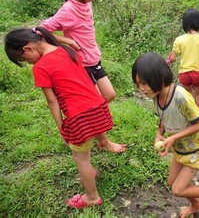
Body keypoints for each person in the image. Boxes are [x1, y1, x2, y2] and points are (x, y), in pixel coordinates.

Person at [4, 27, 126, 209]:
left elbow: (52, 102)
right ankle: (102, 143)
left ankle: (91, 197)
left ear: (28, 48)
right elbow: (75, 52)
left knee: (80, 158)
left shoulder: (40, 67)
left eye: (24, 59)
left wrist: (62, 126)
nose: (28, 63)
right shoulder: (67, 51)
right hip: (99, 108)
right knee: (87, 142)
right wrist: (64, 40)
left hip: (79, 118)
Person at [132, 53, 199, 217]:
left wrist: (172, 138)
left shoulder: (180, 96)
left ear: (158, 77)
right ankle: (197, 204)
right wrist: (159, 135)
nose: (141, 89)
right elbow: (163, 121)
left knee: (177, 189)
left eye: (143, 83)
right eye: (138, 84)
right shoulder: (156, 97)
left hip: (195, 149)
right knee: (172, 182)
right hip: (181, 148)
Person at [40, 0, 115, 102]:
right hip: (82, 64)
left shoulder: (86, 3)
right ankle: (95, 119)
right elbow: (40, 30)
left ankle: (94, 117)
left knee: (110, 95)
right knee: (96, 100)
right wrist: (67, 41)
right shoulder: (68, 11)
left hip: (94, 59)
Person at [168, 8, 199, 109]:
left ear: (185, 23)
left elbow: (173, 58)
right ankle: (198, 117)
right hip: (198, 73)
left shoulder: (179, 39)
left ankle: (189, 116)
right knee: (198, 96)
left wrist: (169, 59)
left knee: (188, 96)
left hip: (184, 73)